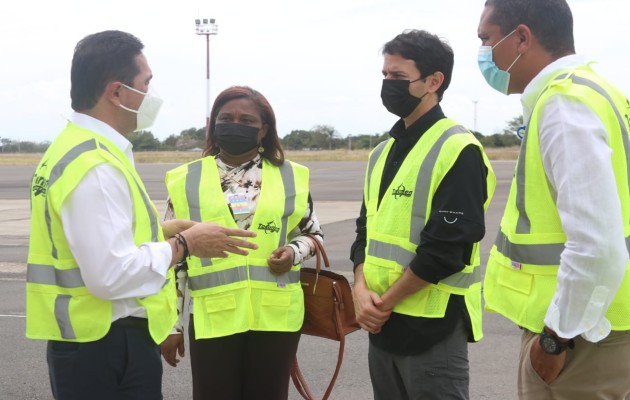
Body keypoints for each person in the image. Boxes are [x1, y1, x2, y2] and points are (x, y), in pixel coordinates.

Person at [25, 30, 258, 400]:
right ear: (117, 92)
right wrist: (184, 244)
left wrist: (165, 229)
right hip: (105, 343)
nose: (150, 96)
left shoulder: (82, 149)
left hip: (95, 340)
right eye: (145, 84)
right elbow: (109, 275)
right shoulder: (94, 165)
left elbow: (102, 238)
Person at [477, 1, 630, 398]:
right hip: (599, 327)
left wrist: (554, 342)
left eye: (486, 40)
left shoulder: (564, 105)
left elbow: (596, 244)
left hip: (581, 343)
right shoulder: (600, 93)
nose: (484, 54)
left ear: (522, 39)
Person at [350, 29, 496, 399]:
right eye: (384, 75)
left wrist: (384, 303)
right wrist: (360, 290)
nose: (388, 85)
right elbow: (365, 232)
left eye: (398, 77)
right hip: (381, 326)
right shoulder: (381, 152)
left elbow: (446, 250)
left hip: (431, 329)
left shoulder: (459, 149)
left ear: (434, 81)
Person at [160, 85, 324, 400]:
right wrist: (173, 326)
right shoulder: (186, 180)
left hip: (275, 317)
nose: (235, 125)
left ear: (263, 130)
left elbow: (314, 234)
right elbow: (173, 258)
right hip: (213, 317)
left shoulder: (291, 176)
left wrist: (293, 251)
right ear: (213, 125)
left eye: (247, 121)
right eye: (226, 118)